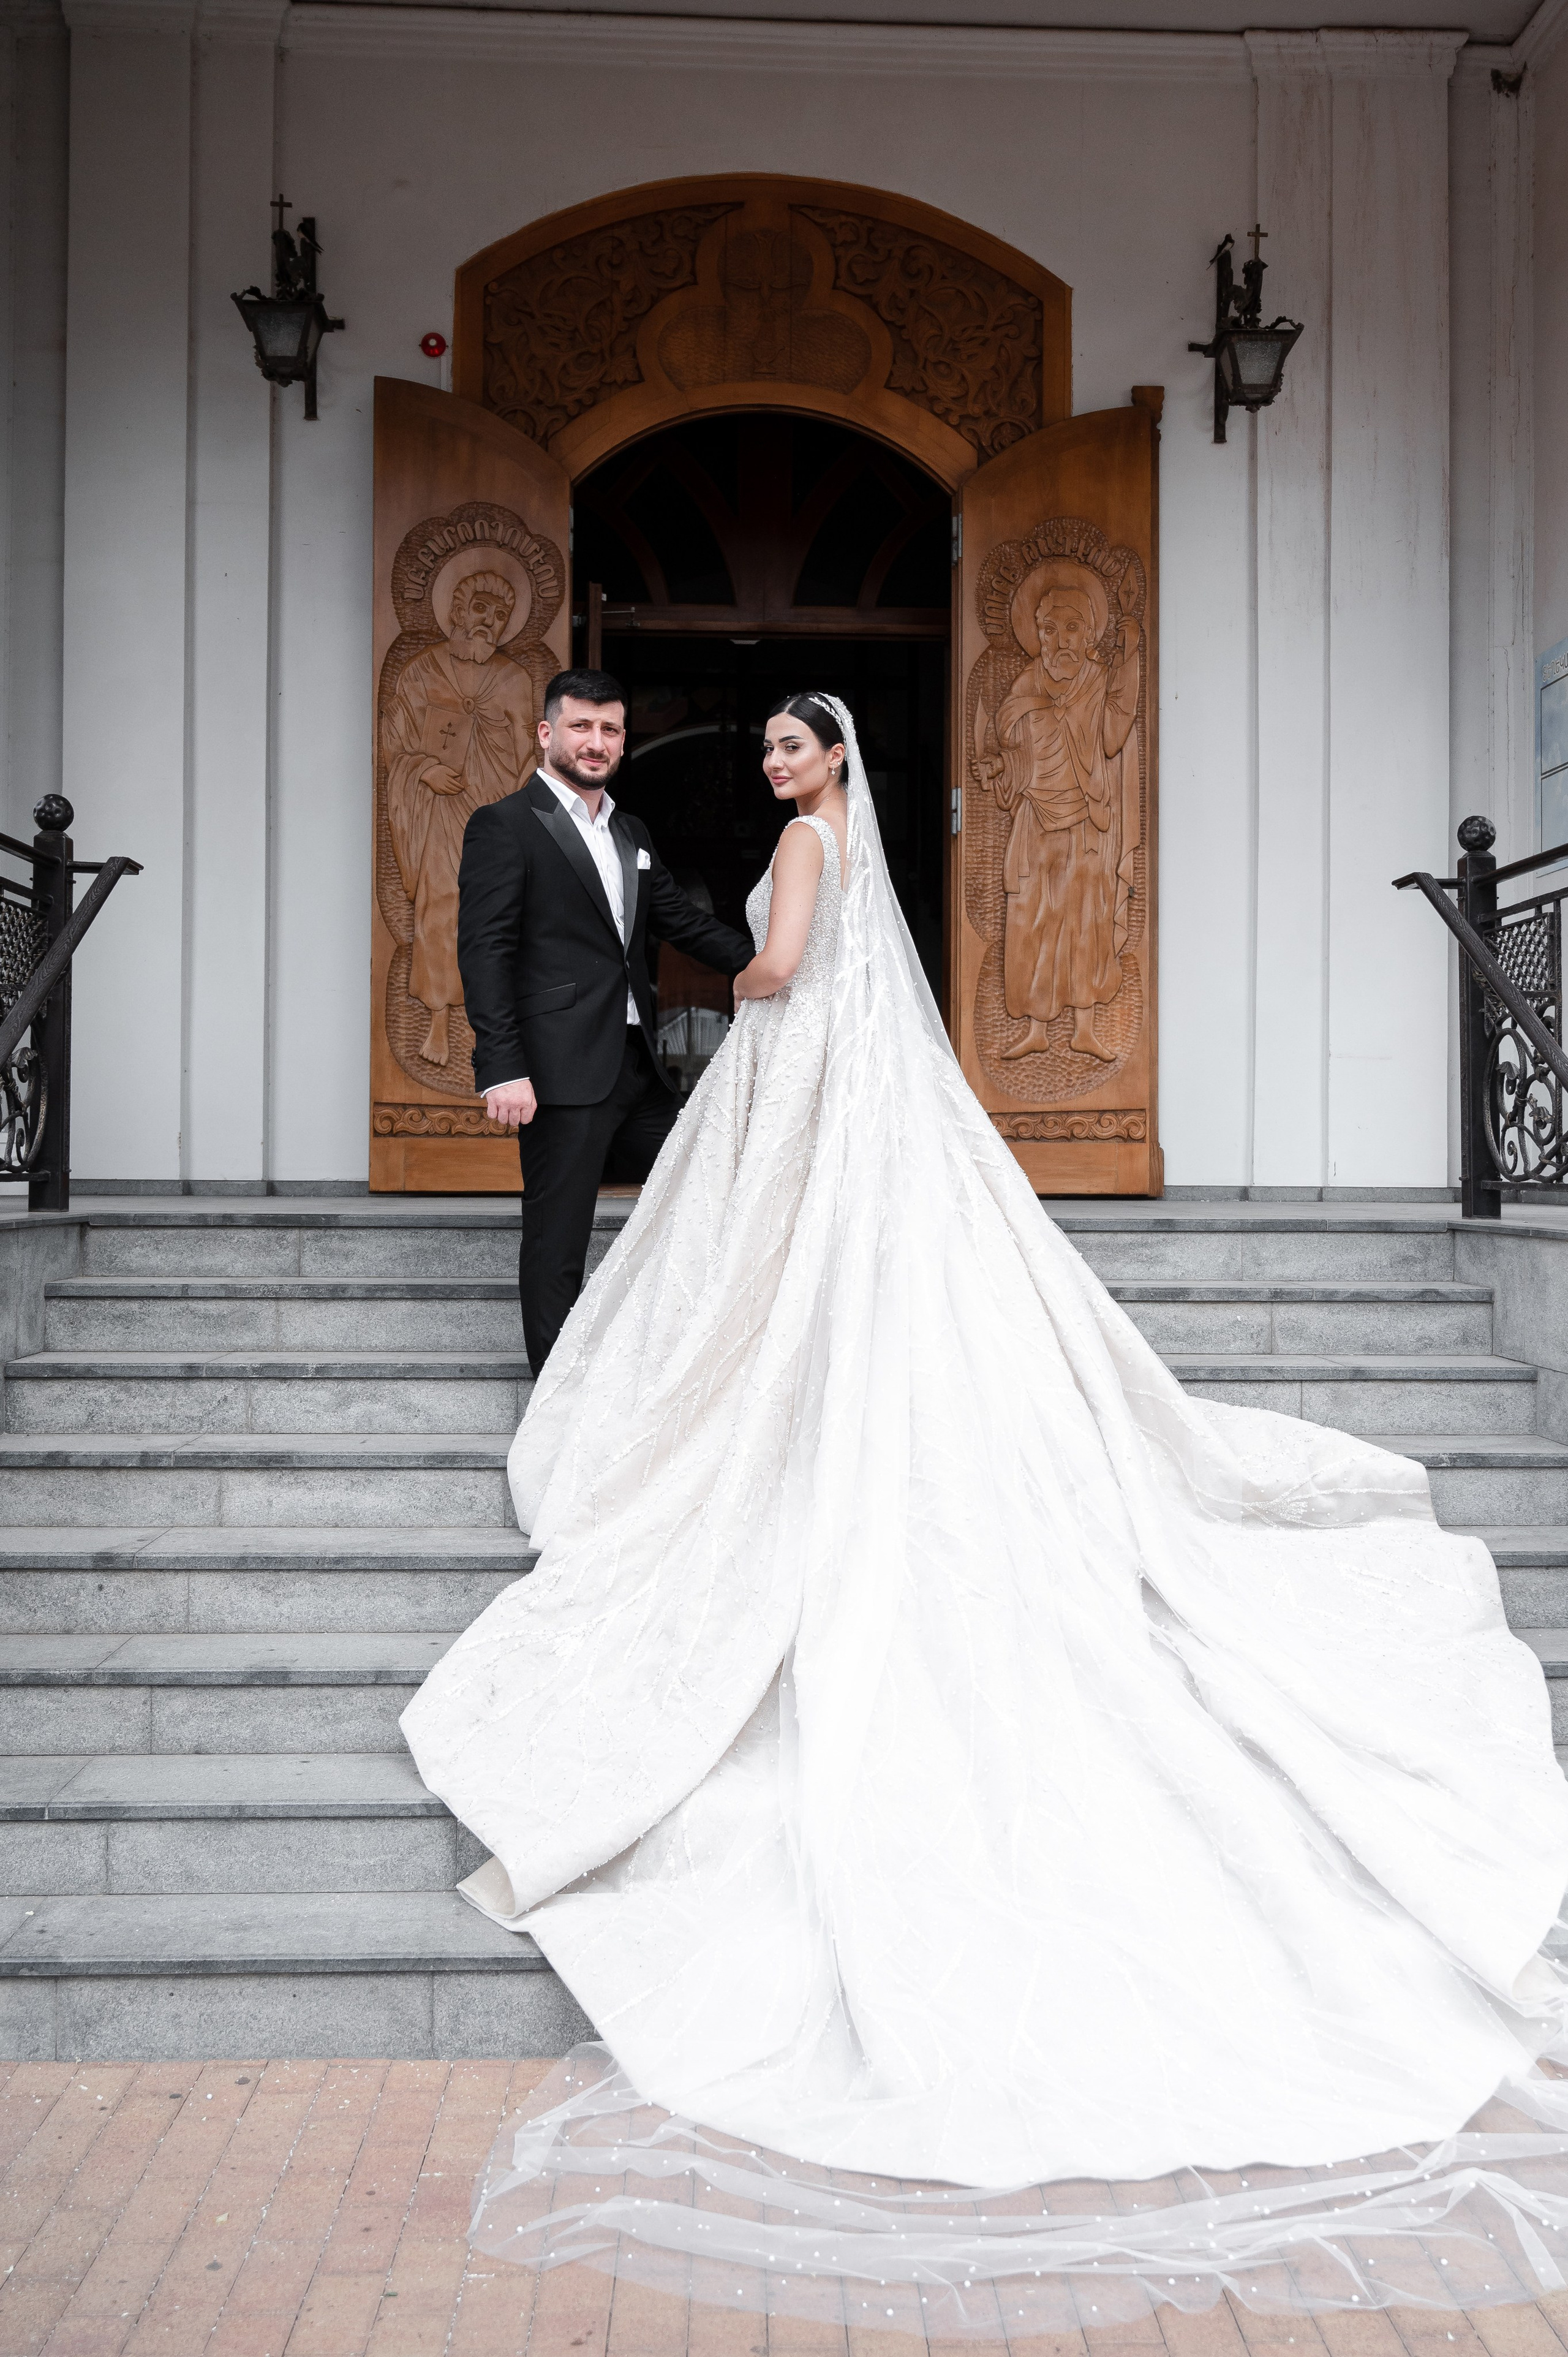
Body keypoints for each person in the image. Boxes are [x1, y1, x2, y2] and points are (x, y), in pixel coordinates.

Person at [405, 692, 1568, 2323]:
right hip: (765, 1079)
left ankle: (640, 1415)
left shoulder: (801, 847)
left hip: (792, 1072)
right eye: (762, 747)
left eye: (790, 745)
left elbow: (780, 970)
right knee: (705, 1261)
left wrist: (724, 989)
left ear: (832, 763)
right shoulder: (745, 834)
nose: (771, 763)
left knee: (754, 1281)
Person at [455, 667, 752, 1371]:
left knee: (712, 1181)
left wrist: (782, 964)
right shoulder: (503, 826)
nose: (596, 741)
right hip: (556, 1070)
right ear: (546, 732)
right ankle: (555, 1401)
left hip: (634, 1067)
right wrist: (502, 1067)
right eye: (581, 726)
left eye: (610, 729)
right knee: (557, 1239)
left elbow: (681, 921)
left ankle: (671, 1355)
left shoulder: (631, 829)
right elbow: (485, 952)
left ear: (623, 739)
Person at [382, 567, 539, 1069]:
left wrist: (521, 808)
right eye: (479, 609)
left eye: (499, 615)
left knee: (494, 914)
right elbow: (394, 743)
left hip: (495, 814)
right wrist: (424, 769)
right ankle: (436, 1023)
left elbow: (530, 750)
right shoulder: (422, 671)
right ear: (456, 611)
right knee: (440, 908)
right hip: (442, 812)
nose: (488, 622)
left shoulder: (514, 679)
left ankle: (485, 1022)